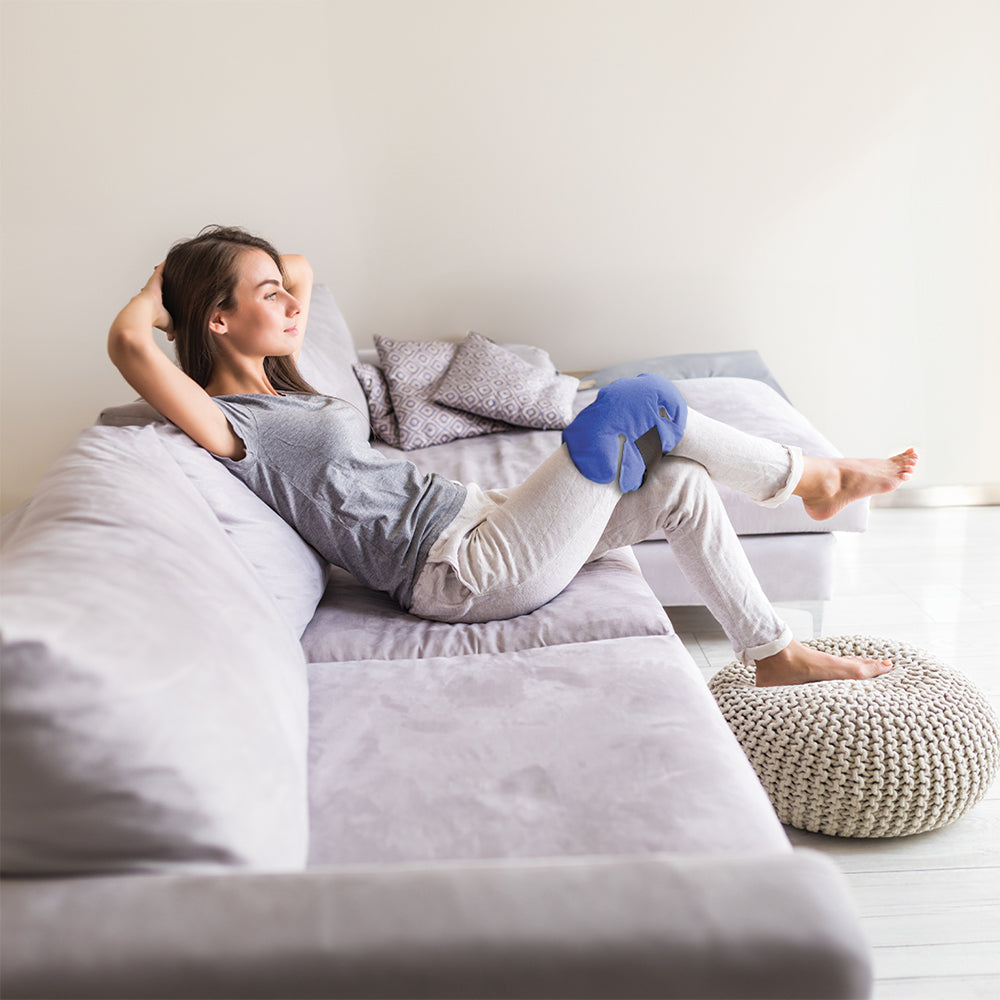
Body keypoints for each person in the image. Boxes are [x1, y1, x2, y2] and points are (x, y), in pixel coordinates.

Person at [108, 226, 918, 686]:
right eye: (267, 297)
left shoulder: (286, 381)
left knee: (677, 481)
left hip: (480, 521)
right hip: (459, 570)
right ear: (215, 320)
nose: (291, 302)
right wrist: (161, 294)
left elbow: (301, 267)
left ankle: (772, 652)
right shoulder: (232, 424)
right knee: (638, 400)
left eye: (283, 295)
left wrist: (234, 280)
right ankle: (813, 479)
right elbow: (129, 344)